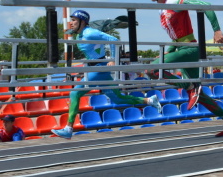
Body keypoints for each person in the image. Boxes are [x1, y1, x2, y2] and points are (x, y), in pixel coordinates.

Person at [145, 0, 223, 137]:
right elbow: (175, 36)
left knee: (151, 69)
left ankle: (190, 86)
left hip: (190, 49)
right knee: (200, 95)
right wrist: (171, 49)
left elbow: (206, 6)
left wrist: (217, 30)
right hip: (180, 50)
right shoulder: (162, 9)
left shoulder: (174, 1)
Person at [51, 10, 161, 139]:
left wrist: (113, 59)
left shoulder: (90, 32)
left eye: (74, 20)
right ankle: (149, 100)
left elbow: (113, 39)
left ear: (82, 22)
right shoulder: (79, 36)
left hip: (100, 68)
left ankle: (68, 128)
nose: (71, 23)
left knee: (75, 93)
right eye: (71, 20)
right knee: (118, 98)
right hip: (95, 69)